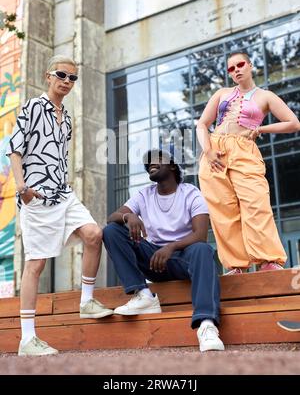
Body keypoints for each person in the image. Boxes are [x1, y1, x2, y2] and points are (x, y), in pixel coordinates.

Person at [6, 55, 113, 356]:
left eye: (73, 78)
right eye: (62, 75)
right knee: (36, 264)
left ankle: (87, 301)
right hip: (37, 195)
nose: (67, 81)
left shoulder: (66, 117)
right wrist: (23, 188)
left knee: (94, 234)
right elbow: (14, 150)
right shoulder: (32, 107)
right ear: (48, 76)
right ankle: (28, 339)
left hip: (63, 193)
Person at [103, 149, 225, 352]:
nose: (150, 164)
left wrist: (171, 247)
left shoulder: (191, 192)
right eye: (147, 163)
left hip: (183, 259)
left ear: (172, 166)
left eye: (157, 160)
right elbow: (112, 217)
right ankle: (142, 295)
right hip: (154, 260)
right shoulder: (144, 194)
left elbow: (200, 234)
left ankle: (206, 325)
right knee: (111, 231)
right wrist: (128, 217)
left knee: (202, 249)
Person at [197, 51, 300, 275]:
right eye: (231, 69)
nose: (236, 70)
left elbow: (293, 123)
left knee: (256, 204)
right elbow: (202, 125)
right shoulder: (221, 93)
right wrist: (208, 151)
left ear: (250, 65)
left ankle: (268, 260)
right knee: (222, 210)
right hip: (215, 151)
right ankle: (236, 265)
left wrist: (260, 129)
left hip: (244, 150)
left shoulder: (266, 96)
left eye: (240, 64)